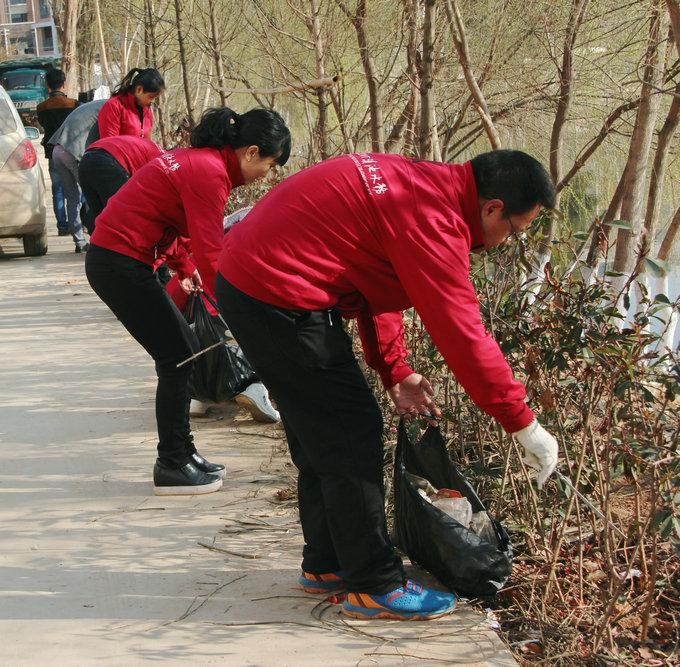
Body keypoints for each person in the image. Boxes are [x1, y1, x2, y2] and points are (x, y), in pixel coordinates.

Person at [215, 149, 561, 621]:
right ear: (493, 207)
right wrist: (523, 423)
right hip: (275, 291)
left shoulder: (421, 186)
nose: (504, 241)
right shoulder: (434, 219)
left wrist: (395, 368)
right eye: (513, 230)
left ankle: (328, 562)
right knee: (350, 432)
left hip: (258, 280)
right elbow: (464, 334)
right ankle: (375, 585)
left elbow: (376, 278)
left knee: (323, 432)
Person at [85, 107, 291, 496]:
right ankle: (172, 463)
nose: (269, 173)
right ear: (250, 152)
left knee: (185, 353)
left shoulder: (202, 163)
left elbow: (172, 219)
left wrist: (183, 265)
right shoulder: (209, 173)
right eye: (271, 162)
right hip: (118, 264)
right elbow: (212, 256)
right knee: (177, 356)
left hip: (124, 260)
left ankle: (183, 453)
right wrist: (242, 313)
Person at [163, 207, 280, 424]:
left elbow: (170, 302)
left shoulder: (197, 261)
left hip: (191, 352)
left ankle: (199, 396)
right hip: (232, 350)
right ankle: (254, 387)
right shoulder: (259, 258)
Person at [48, 99, 107, 252]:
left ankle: (79, 242)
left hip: (57, 150)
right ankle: (99, 239)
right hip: (73, 152)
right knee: (91, 195)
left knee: (73, 198)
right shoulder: (111, 108)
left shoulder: (95, 105)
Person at [77, 134, 162, 235]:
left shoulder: (155, 152)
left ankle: (97, 247)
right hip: (108, 160)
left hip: (86, 159)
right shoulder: (162, 163)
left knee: (98, 215)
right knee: (120, 216)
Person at [36, 68, 78, 237]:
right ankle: (79, 222)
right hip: (72, 150)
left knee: (58, 189)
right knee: (77, 188)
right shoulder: (74, 105)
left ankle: (62, 225)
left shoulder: (41, 107)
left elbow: (43, 125)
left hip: (53, 151)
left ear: (48, 85)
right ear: (64, 83)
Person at [97, 68, 164, 140]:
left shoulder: (146, 110)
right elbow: (109, 145)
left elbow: (147, 143)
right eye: (151, 97)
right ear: (139, 90)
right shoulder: (114, 106)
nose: (152, 101)